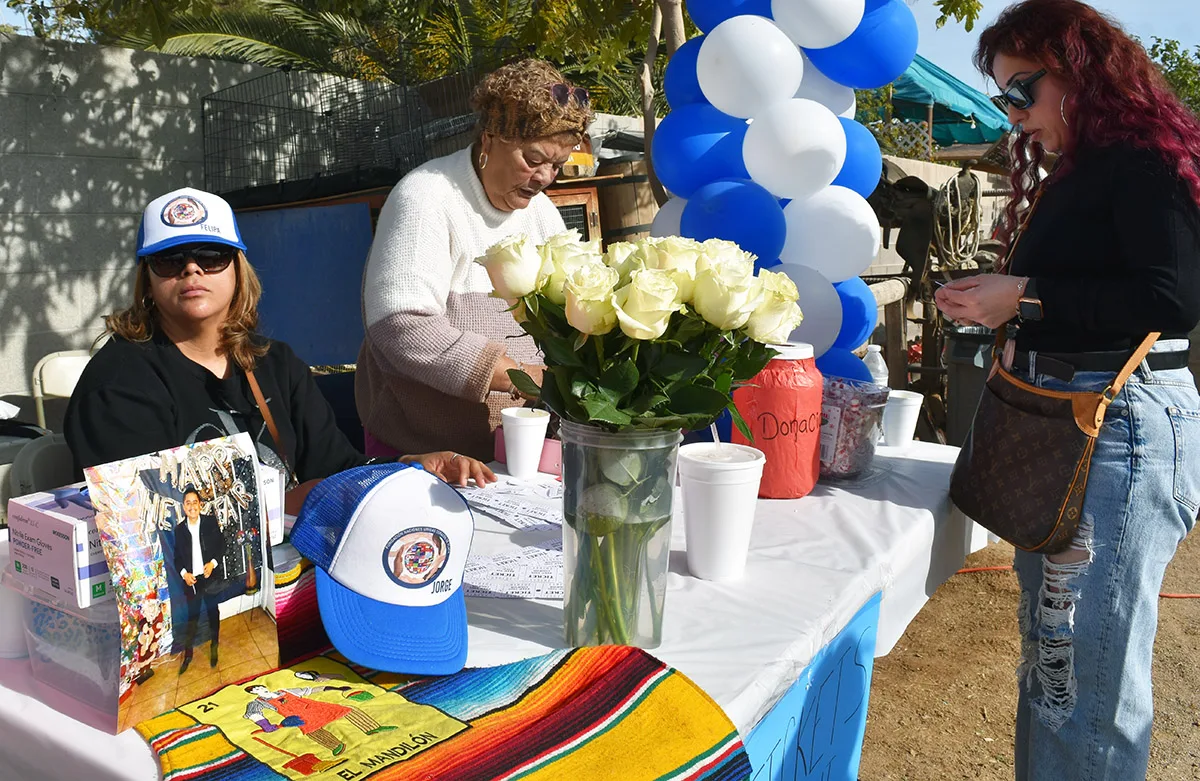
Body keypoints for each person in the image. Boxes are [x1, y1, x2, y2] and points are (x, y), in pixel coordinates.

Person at [934, 1, 1200, 778]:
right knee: (1060, 670)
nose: (1014, 114)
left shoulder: (1139, 159)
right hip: (1084, 427)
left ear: (1082, 71)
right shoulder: (1095, 165)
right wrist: (1009, 297)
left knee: (1078, 683)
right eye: (1003, 97)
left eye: (1023, 89)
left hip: (1112, 426)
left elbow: (1171, 297)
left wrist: (1023, 297)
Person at [64, 187, 496, 509]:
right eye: (170, 260)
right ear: (149, 278)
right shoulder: (119, 380)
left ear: (237, 269)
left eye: (211, 255)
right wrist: (289, 505)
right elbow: (148, 516)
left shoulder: (275, 362)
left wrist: (410, 467)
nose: (191, 268)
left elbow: (335, 467)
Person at [356, 59, 593, 461]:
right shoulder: (426, 197)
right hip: (423, 449)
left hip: (516, 449)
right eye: (533, 159)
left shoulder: (542, 214)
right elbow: (400, 325)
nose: (545, 177)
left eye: (556, 164)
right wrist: (519, 378)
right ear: (489, 139)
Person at [173, 487, 225, 673]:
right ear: (183, 507)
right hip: (191, 581)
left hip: (209, 578)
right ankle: (188, 655)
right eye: (188, 503)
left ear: (200, 504)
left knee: (213, 613)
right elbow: (177, 558)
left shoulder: (210, 522)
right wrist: (184, 574)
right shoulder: (179, 530)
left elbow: (222, 545)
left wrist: (212, 563)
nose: (192, 506)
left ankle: (214, 646)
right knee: (192, 618)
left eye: (195, 502)